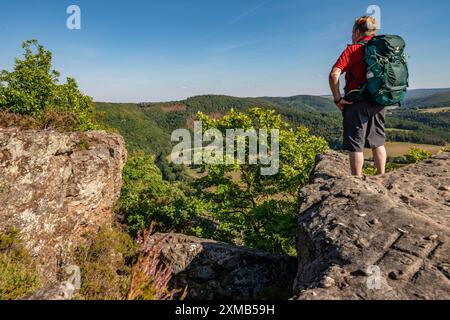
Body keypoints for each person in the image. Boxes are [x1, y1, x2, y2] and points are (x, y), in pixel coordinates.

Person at [329, 16, 387, 176]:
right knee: (378, 142)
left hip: (356, 103)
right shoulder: (383, 49)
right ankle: (382, 176)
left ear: (356, 32)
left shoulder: (352, 50)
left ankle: (357, 181)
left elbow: (334, 74)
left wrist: (337, 98)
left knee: (355, 145)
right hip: (379, 101)